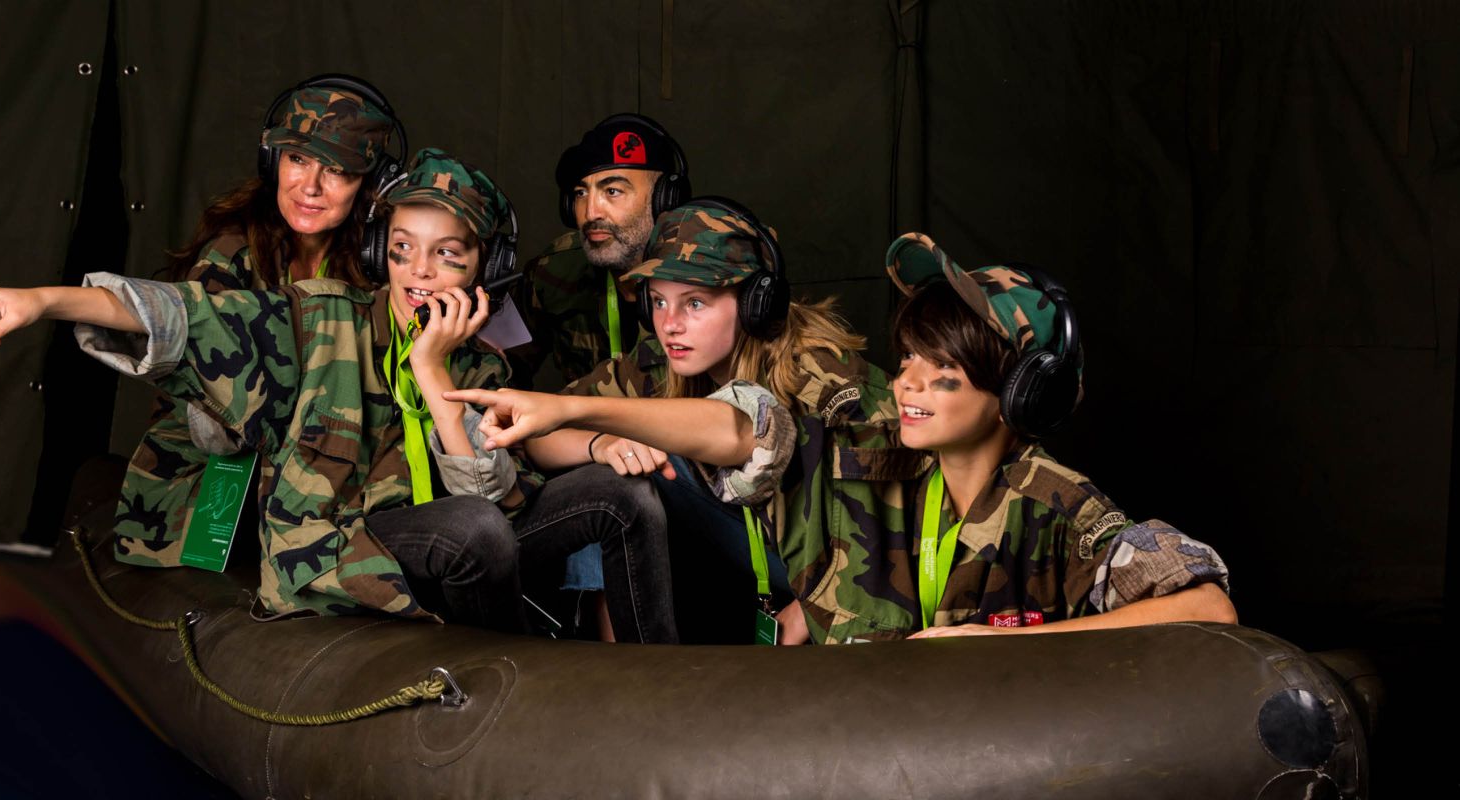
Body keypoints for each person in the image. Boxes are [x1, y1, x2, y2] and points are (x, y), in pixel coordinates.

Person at [0, 149, 535, 629]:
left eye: (447, 255)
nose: (420, 272)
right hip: (341, 552)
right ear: (383, 251)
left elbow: (485, 495)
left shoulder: (481, 367)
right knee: (472, 531)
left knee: (522, 516)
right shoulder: (321, 321)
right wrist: (41, 301)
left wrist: (431, 371)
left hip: (440, 545)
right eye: (403, 249)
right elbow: (181, 314)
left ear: (485, 268)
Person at [448, 197, 924, 644]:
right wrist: (601, 444)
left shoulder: (823, 375)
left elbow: (897, 519)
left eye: (694, 303)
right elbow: (535, 436)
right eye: (658, 301)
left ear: (756, 303)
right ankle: (612, 661)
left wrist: (814, 601)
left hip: (846, 573)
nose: (670, 323)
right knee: (609, 472)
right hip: (742, 561)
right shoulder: (656, 361)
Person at [116, 74, 405, 570]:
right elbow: (214, 424)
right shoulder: (231, 255)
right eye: (297, 159)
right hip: (214, 469)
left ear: (372, 184)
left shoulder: (389, 260)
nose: (309, 186)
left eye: (336, 169)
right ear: (273, 160)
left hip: (336, 469)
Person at [882, 233, 1236, 638]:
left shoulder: (1059, 502)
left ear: (1021, 389)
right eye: (908, 354)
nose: (907, 381)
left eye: (943, 364)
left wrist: (1007, 641)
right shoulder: (902, 482)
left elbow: (1210, 609)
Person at [510, 113, 691, 390]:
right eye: (581, 194)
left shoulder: (706, 278)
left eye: (613, 191)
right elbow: (501, 369)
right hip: (576, 433)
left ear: (664, 200)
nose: (591, 212)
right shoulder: (556, 270)